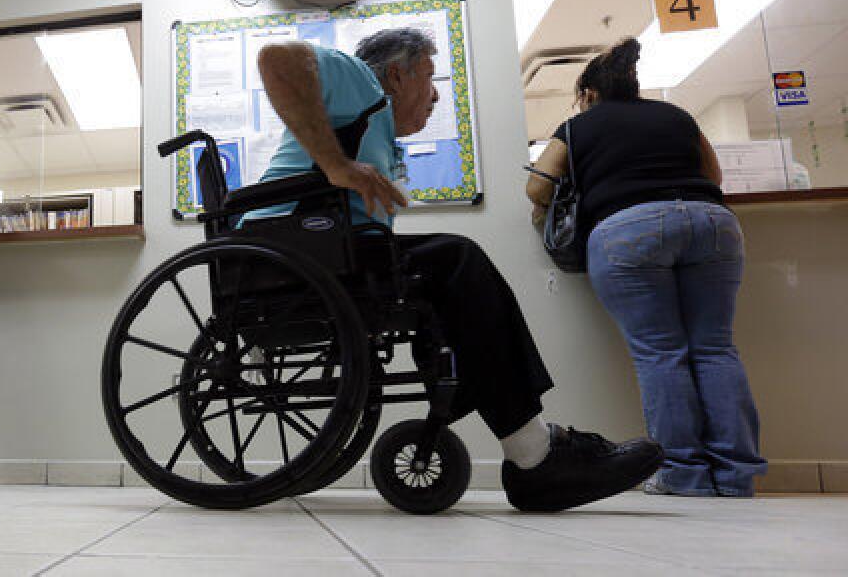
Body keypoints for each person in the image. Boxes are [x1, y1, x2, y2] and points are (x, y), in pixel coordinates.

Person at [250, 28, 664, 512]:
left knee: (445, 271)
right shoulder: (362, 80)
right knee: (456, 258)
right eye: (429, 77)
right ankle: (533, 454)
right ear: (396, 75)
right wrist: (337, 165)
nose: (436, 94)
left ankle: (529, 446)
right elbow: (276, 59)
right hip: (291, 252)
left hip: (321, 253)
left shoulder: (374, 125)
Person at [526, 38, 767, 497]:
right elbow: (713, 177)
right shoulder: (677, 116)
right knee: (715, 348)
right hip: (712, 224)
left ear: (589, 93)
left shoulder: (577, 127)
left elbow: (537, 188)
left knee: (661, 352)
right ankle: (737, 476)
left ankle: (683, 474)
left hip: (628, 229)